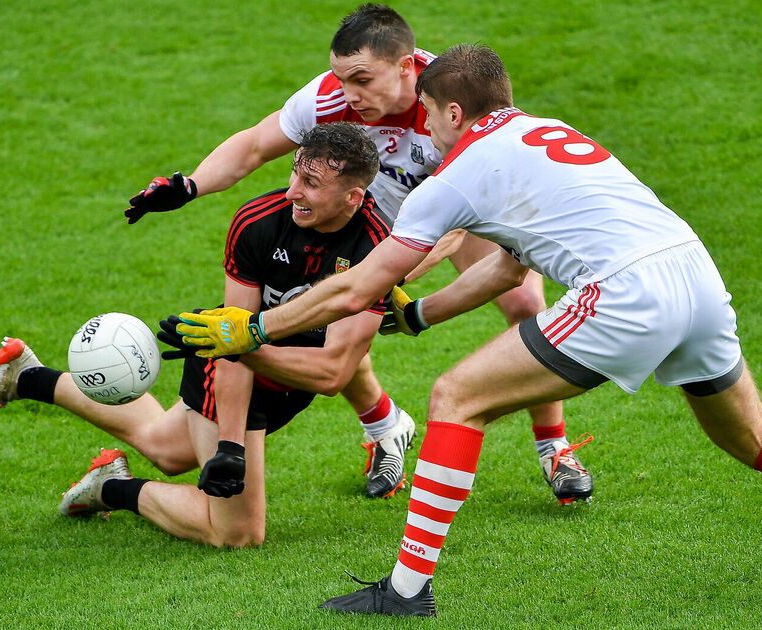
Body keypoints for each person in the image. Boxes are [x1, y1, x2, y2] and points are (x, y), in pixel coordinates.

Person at [170, 44, 762, 616]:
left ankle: (407, 590)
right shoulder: (547, 130)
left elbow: (360, 285)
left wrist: (254, 328)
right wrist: (425, 312)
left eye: (432, 125)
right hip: (695, 273)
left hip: (627, 291)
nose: (426, 141)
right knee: (753, 435)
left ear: (451, 111)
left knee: (456, 395)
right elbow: (509, 269)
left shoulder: (458, 169)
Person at [123, 3, 594, 504]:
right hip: (363, 218)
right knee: (327, 320)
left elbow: (455, 227)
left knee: (522, 302)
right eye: (342, 77)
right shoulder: (331, 95)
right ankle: (384, 425)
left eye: (362, 80)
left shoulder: (449, 109)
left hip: (460, 212)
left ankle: (554, 447)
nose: (350, 93)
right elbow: (256, 146)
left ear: (408, 65)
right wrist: (191, 185)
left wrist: (388, 273)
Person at [0, 123, 404, 545]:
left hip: (279, 373)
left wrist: (241, 346)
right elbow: (230, 341)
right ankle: (116, 490)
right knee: (238, 533)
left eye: (312, 185)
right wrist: (231, 444)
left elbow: (331, 373)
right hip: (228, 370)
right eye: (294, 175)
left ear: (354, 197)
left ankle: (27, 378)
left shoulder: (378, 250)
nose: (293, 191)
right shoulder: (259, 224)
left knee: (164, 448)